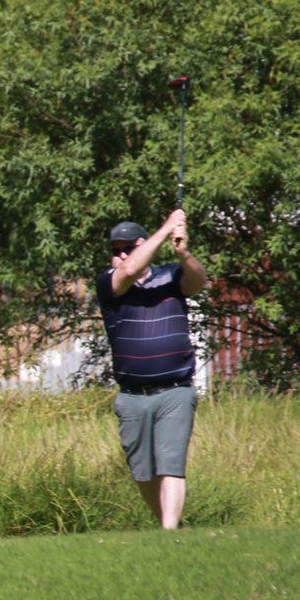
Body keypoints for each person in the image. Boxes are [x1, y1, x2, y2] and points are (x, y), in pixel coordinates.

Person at [95, 209, 207, 531]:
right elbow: (130, 269)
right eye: (115, 249)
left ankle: (169, 532)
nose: (121, 255)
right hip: (132, 396)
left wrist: (184, 253)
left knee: (171, 464)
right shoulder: (110, 283)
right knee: (142, 473)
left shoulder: (171, 277)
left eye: (127, 247)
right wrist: (168, 226)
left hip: (174, 389)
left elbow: (198, 281)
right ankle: (170, 526)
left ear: (142, 245)